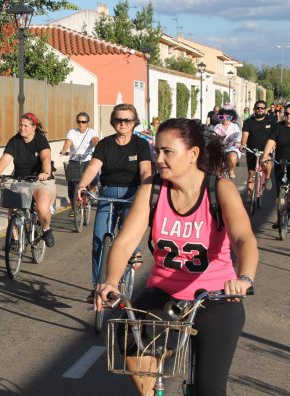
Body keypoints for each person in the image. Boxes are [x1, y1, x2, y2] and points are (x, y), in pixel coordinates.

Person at [95, 118, 258, 395]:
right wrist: (110, 282)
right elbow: (123, 244)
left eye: (167, 151)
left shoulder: (219, 189)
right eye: (156, 150)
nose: (159, 158)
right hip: (163, 294)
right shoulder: (153, 189)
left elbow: (244, 240)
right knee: (124, 334)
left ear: (193, 154)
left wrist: (243, 278)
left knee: (209, 388)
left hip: (216, 297)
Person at [76, 104, 152, 301]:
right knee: (99, 239)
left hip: (132, 194)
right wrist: (82, 185)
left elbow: (145, 171)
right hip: (107, 193)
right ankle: (97, 286)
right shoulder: (105, 144)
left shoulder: (140, 145)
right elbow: (93, 168)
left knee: (128, 232)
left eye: (127, 120)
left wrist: (146, 189)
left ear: (134, 122)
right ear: (113, 121)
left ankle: (133, 251)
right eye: (119, 119)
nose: (123, 123)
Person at [0, 112, 56, 247]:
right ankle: (14, 239)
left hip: (39, 181)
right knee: (12, 208)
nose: (22, 128)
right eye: (21, 125)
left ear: (34, 127)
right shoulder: (14, 141)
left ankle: (46, 229)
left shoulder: (40, 140)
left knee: (42, 207)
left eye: (26, 125)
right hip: (21, 180)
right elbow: (6, 158)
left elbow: (46, 158)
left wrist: (45, 172)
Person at [59, 112, 99, 216]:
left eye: (83, 122)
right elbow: (68, 142)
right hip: (74, 159)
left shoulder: (91, 132)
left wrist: (98, 148)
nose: (81, 124)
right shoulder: (72, 132)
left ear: (87, 123)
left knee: (95, 178)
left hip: (88, 159)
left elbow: (95, 140)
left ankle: (91, 191)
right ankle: (73, 208)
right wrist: (64, 150)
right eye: (79, 122)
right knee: (71, 185)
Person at [262, 103, 290, 226]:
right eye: (287, 114)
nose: (289, 116)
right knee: (280, 192)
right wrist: (264, 156)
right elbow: (271, 141)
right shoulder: (278, 127)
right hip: (281, 162)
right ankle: (280, 218)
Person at [240, 100, 275, 196]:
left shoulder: (271, 120)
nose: (260, 110)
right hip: (252, 151)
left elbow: (274, 136)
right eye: (258, 108)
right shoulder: (248, 122)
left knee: (267, 162)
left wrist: (273, 147)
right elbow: (245, 136)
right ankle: (252, 196)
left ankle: (267, 178)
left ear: (265, 109)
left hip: (266, 151)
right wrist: (243, 145)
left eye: (262, 108)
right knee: (251, 174)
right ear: (254, 109)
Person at [213, 108, 242, 178]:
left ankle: (231, 170)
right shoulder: (217, 126)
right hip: (220, 147)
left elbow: (238, 136)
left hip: (232, 147)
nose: (225, 119)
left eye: (228, 117)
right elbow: (213, 137)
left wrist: (237, 142)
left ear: (231, 118)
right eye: (222, 117)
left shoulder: (234, 126)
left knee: (232, 157)